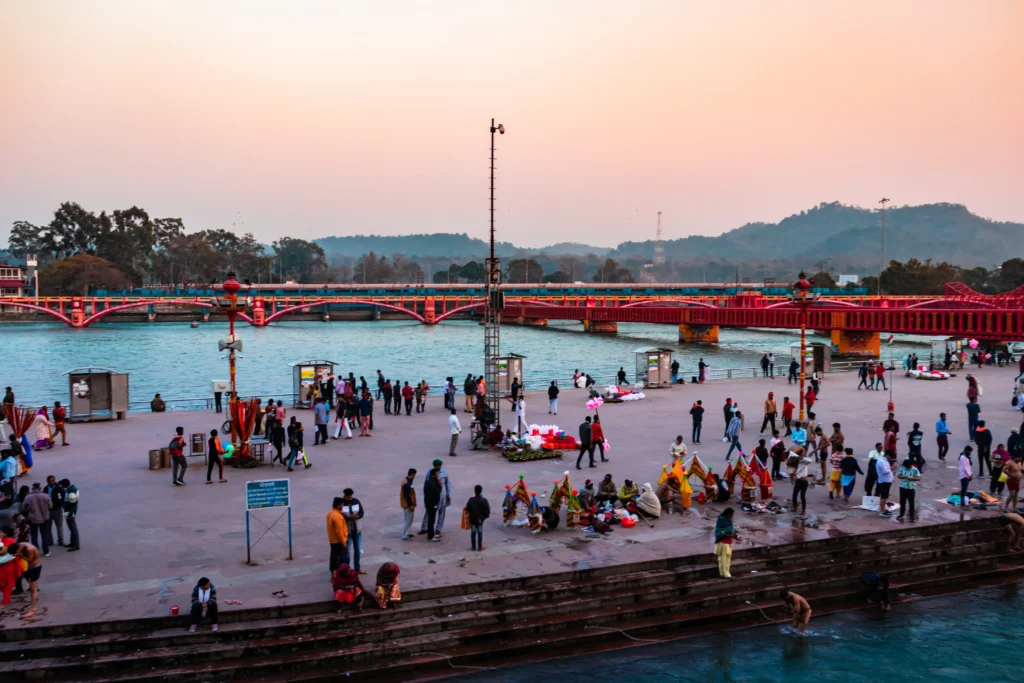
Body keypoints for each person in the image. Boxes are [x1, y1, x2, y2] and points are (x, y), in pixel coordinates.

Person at [339, 488, 365, 574]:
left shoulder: (356, 501)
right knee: (347, 551)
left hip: (357, 529)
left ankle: (357, 569)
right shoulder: (341, 503)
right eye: (348, 496)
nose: (350, 498)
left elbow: (361, 512)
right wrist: (348, 517)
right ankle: (347, 569)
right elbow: (339, 516)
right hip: (347, 531)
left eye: (351, 496)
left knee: (357, 549)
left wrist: (358, 516)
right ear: (345, 495)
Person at [24, 483, 52, 556]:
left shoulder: (28, 497)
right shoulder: (46, 496)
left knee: (34, 536)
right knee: (44, 535)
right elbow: (51, 506)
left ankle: (35, 551)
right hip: (44, 518)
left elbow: (25, 507)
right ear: (40, 488)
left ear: (32, 488)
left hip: (33, 518)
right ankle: (46, 551)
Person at [16, 542, 41, 619]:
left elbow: (29, 560)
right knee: (32, 587)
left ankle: (33, 608)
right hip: (30, 568)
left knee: (33, 590)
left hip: (34, 568)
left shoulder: (29, 549)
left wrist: (20, 555)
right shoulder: (22, 545)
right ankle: (35, 598)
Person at [327, 496, 350, 573]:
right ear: (338, 505)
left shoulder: (330, 513)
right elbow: (339, 531)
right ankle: (339, 575)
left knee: (333, 557)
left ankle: (333, 575)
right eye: (342, 504)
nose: (343, 506)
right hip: (338, 541)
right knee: (340, 559)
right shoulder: (338, 516)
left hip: (332, 539)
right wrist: (343, 542)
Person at [465, 484, 490, 551]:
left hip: (473, 519)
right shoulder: (484, 500)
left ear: (475, 491)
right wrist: (483, 518)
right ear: (481, 491)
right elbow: (487, 510)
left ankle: (473, 547)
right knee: (480, 533)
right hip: (480, 520)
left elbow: (467, 508)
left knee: (473, 533)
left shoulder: (471, 499)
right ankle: (479, 547)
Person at [714, 508, 737, 578]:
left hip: (728, 542)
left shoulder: (728, 520)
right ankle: (725, 574)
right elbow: (719, 532)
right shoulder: (722, 520)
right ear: (727, 514)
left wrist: (734, 535)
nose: (732, 516)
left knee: (725, 559)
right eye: (731, 514)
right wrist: (731, 535)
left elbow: (729, 530)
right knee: (724, 559)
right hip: (723, 542)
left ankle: (723, 573)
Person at [896, 457, 921, 523]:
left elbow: (919, 478)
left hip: (911, 488)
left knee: (911, 503)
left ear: (910, 465)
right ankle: (901, 514)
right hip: (903, 487)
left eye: (907, 466)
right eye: (906, 466)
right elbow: (898, 476)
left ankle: (912, 516)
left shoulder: (915, 470)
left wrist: (912, 478)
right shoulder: (902, 468)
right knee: (902, 501)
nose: (906, 468)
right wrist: (903, 477)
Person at [43, 476, 66, 547]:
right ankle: (50, 540)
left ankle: (61, 540)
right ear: (47, 481)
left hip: (57, 510)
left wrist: (59, 504)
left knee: (59, 526)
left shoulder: (59, 488)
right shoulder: (45, 489)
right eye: (50, 481)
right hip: (48, 510)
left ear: (54, 481)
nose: (51, 482)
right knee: (48, 526)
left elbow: (63, 497)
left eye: (52, 481)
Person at [59, 478, 80, 551]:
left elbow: (72, 503)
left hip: (69, 511)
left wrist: (68, 512)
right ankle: (72, 542)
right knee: (71, 527)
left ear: (65, 485)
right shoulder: (72, 488)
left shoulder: (71, 492)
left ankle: (76, 544)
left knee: (72, 527)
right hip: (69, 511)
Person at [423, 468, 442, 542]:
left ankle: (432, 534)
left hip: (433, 503)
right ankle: (430, 536)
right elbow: (438, 491)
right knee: (431, 520)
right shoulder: (430, 483)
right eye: (436, 474)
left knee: (432, 519)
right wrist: (440, 485)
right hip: (431, 504)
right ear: (433, 475)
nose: (438, 476)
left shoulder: (433, 481)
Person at [791, 446, 812, 514]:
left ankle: (803, 510)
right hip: (798, 481)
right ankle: (795, 507)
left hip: (804, 482)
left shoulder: (804, 461)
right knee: (794, 495)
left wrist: (802, 457)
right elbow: (793, 470)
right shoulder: (796, 462)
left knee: (802, 496)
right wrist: (793, 478)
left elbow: (810, 460)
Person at [876, 451, 895, 517]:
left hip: (887, 481)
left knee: (885, 496)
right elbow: (885, 471)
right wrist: (891, 468)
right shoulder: (881, 461)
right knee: (884, 496)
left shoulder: (884, 460)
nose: (891, 459)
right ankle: (882, 511)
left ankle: (883, 509)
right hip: (884, 481)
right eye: (891, 457)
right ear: (887, 455)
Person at [400, 469, 417, 541]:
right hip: (407, 505)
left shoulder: (408, 481)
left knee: (410, 519)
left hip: (409, 504)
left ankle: (407, 532)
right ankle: (404, 535)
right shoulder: (407, 483)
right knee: (407, 519)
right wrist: (410, 505)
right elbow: (407, 495)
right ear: (412, 474)